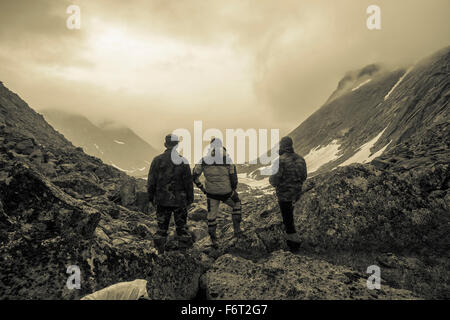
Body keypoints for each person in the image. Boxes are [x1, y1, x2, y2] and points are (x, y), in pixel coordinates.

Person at [147, 134, 194, 254]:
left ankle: (160, 252)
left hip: (162, 200)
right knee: (182, 228)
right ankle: (183, 253)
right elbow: (188, 182)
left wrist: (150, 198)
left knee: (161, 229)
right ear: (177, 145)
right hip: (180, 201)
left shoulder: (157, 160)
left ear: (165, 145)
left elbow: (151, 181)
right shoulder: (183, 161)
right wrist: (190, 199)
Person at [192, 138, 242, 249]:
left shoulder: (203, 160)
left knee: (211, 217)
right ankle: (237, 231)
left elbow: (194, 175)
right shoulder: (227, 159)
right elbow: (234, 178)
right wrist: (232, 189)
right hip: (226, 192)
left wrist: (202, 188)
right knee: (237, 203)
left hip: (211, 193)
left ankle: (214, 241)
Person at [269, 136, 307, 251]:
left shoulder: (280, 161)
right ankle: (295, 241)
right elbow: (304, 176)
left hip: (285, 196)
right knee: (293, 218)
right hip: (298, 194)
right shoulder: (301, 159)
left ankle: (293, 245)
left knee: (288, 220)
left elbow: (274, 181)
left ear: (282, 146)